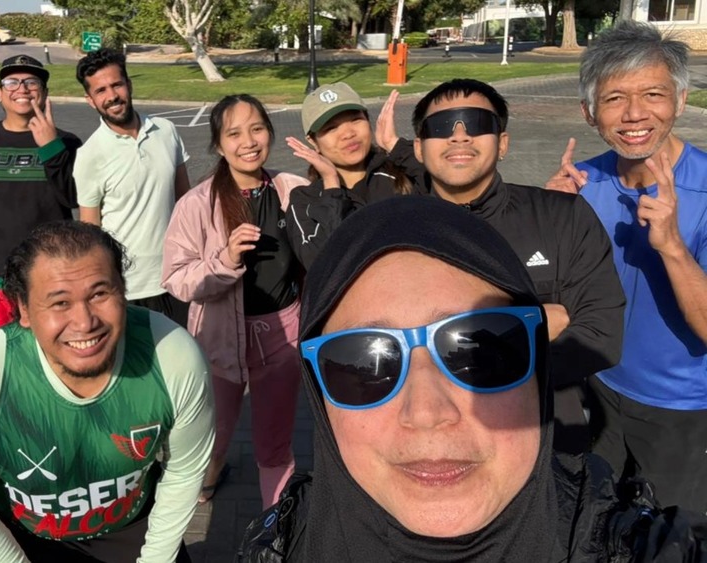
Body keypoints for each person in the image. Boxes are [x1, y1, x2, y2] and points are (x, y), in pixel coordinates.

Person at [238, 197, 707, 562]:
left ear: (537, 372)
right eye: (364, 362)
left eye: (478, 351)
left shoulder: (645, 548)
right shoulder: (274, 548)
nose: (427, 412)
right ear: (319, 397)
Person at [0, 221, 214, 563]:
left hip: (133, 526)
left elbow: (184, 470)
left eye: (99, 294)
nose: (85, 322)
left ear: (123, 290)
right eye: (60, 302)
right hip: (27, 539)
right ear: (23, 309)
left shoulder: (172, 355)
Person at [407, 78, 625, 454]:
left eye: (477, 123)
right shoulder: (391, 234)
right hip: (433, 441)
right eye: (441, 127)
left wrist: (459, 359)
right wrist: (531, 325)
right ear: (419, 148)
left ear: (503, 143)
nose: (459, 136)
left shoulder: (563, 217)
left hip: (547, 439)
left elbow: (601, 336)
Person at [546, 21, 707, 513]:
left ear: (680, 101)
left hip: (681, 409)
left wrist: (673, 247)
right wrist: (548, 220)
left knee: (673, 538)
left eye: (653, 94)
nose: (635, 114)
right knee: (594, 519)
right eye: (614, 98)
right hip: (598, 389)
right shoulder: (581, 183)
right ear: (589, 112)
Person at [162, 94, 306, 508]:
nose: (248, 142)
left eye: (257, 129)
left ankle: (275, 527)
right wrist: (224, 260)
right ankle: (208, 477)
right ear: (218, 144)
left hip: (282, 337)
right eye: (234, 133)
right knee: (215, 434)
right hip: (219, 339)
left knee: (274, 445)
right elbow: (176, 279)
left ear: (270, 133)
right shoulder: (197, 204)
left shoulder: (292, 189)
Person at [0, 54, 82, 345]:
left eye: (31, 82)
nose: (21, 88)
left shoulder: (68, 143)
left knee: (53, 356)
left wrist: (50, 148)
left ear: (44, 93)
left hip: (53, 275)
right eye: (11, 82)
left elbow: (74, 198)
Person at [73, 48, 191, 326]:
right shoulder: (89, 155)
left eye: (117, 84)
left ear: (129, 84)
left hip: (176, 277)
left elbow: (186, 203)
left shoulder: (166, 130)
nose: (112, 96)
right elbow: (91, 232)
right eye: (100, 90)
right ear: (90, 100)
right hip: (127, 288)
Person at [284, 83, 424, 270]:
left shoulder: (401, 171)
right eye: (331, 128)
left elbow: (447, 190)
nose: (348, 134)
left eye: (356, 119)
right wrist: (331, 185)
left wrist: (394, 145)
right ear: (313, 141)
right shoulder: (304, 200)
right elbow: (322, 264)